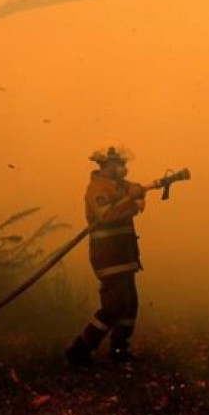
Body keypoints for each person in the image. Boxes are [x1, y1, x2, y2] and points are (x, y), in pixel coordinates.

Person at [65, 146, 147, 366]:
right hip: (109, 255)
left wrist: (138, 193)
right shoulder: (97, 189)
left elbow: (136, 191)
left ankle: (119, 350)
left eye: (124, 163)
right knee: (113, 306)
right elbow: (108, 215)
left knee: (130, 304)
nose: (123, 168)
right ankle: (79, 350)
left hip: (125, 253)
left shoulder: (119, 186)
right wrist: (132, 201)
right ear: (104, 165)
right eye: (118, 163)